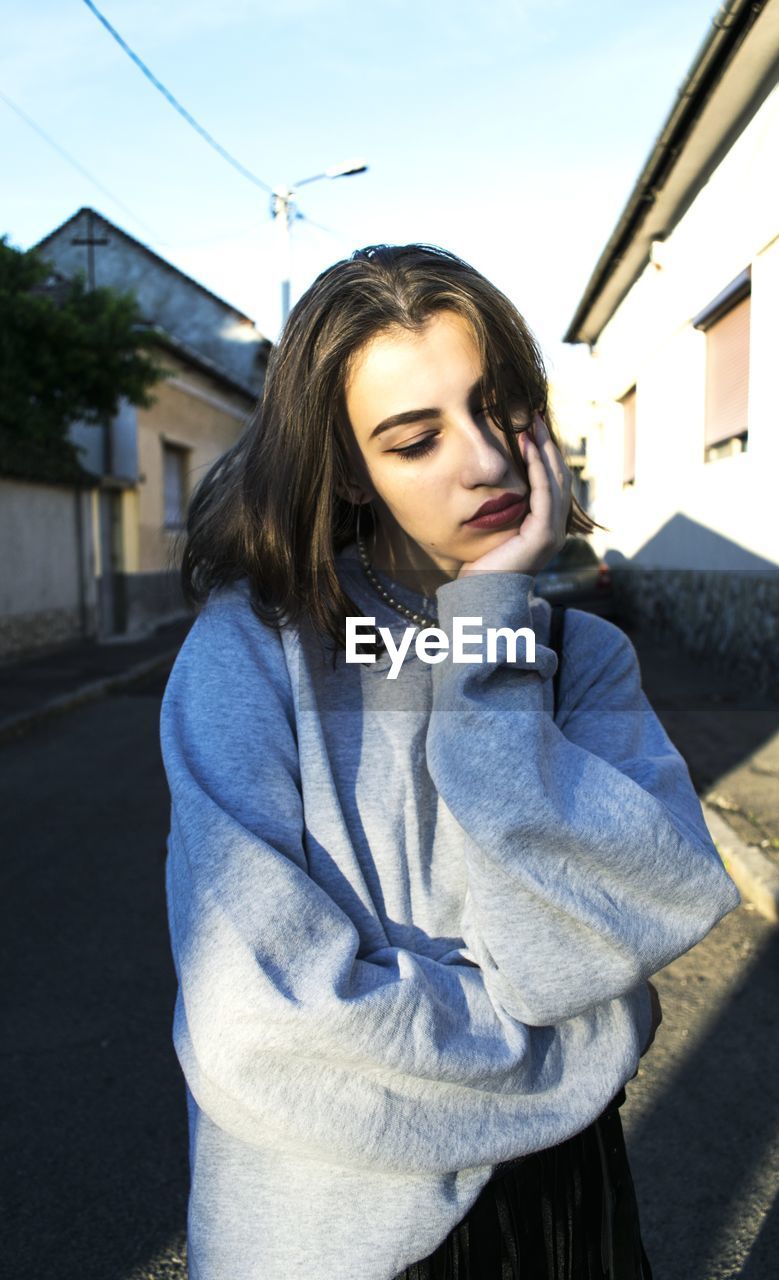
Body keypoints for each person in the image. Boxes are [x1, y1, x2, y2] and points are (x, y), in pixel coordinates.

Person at [159, 243, 740, 1280]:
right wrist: (564, 1045)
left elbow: (642, 904)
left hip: (563, 1200)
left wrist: (488, 634)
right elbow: (263, 1024)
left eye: (496, 407)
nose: (483, 461)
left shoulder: (581, 658)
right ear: (347, 468)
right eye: (415, 439)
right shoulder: (256, 648)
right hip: (336, 1222)